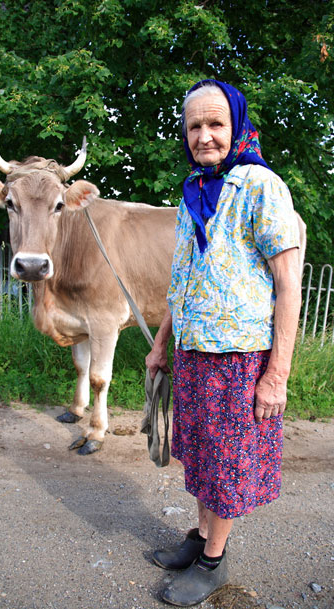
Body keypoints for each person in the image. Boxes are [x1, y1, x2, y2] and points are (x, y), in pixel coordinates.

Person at [145, 79, 302, 607]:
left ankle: (214, 561)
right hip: (192, 353)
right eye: (194, 126)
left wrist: (276, 375)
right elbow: (182, 281)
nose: (204, 136)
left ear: (236, 126)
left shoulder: (260, 186)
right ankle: (199, 539)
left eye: (216, 123)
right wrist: (161, 344)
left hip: (238, 360)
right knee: (199, 456)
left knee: (226, 463)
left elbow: (289, 285)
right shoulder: (193, 189)